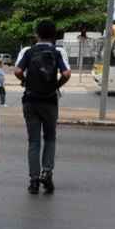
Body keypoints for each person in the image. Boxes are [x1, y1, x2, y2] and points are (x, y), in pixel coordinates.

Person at [14, 20, 72, 194]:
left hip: (30, 100)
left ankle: (33, 180)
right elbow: (67, 73)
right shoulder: (58, 51)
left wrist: (25, 82)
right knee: (50, 138)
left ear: (36, 34)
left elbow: (17, 71)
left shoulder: (28, 51)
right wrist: (56, 86)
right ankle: (47, 172)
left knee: (33, 141)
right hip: (49, 101)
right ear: (54, 35)